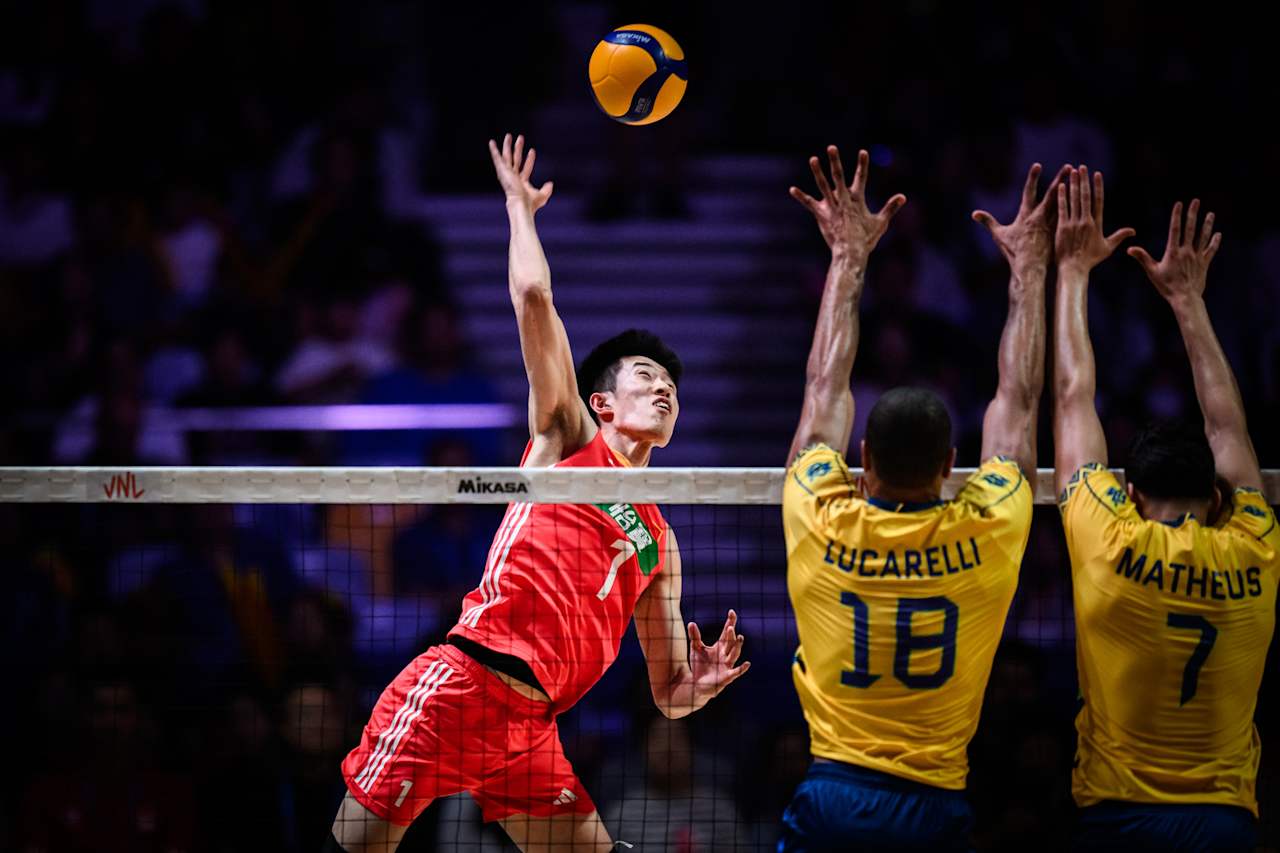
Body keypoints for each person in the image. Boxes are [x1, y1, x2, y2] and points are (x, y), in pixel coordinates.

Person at [328, 134, 749, 853]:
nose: (664, 388)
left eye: (672, 387)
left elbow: (668, 692)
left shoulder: (660, 542)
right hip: (463, 687)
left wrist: (699, 686)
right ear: (602, 403)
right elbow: (532, 298)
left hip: (531, 731)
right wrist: (520, 210)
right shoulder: (568, 437)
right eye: (646, 376)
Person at [779, 146, 1056, 849]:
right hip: (935, 804)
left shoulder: (818, 514)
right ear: (952, 465)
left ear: (863, 460)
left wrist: (848, 256)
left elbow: (822, 391)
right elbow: (1019, 403)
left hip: (833, 794)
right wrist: (1029, 272)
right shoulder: (987, 528)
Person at [1052, 169, 1278, 852]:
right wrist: (1188, 300)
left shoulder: (1109, 537)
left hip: (1117, 818)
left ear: (1131, 496)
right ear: (1218, 500)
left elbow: (1073, 397)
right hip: (1224, 822)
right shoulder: (1255, 546)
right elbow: (1229, 430)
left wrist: (1072, 271)